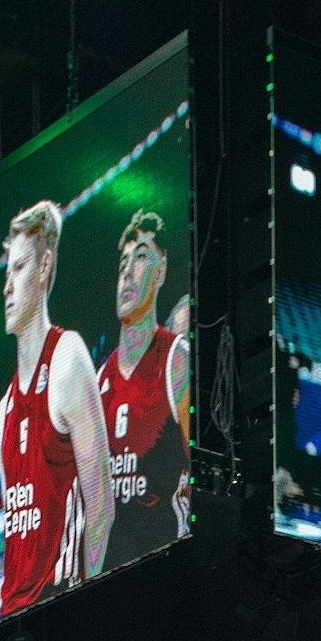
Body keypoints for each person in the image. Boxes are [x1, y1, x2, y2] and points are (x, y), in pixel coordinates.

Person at [0, 200, 113, 616]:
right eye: (6, 273)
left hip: (61, 603)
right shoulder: (2, 414)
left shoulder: (67, 357)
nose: (6, 286)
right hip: (13, 619)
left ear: (44, 268)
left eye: (19, 268)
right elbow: (16, 536)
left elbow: (101, 509)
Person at [99, 208, 192, 564]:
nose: (127, 269)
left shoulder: (175, 360)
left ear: (161, 271)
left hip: (166, 567)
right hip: (107, 580)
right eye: (123, 261)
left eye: (140, 257)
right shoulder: (98, 380)